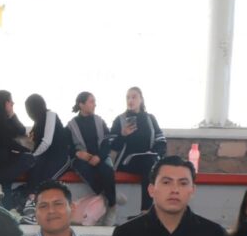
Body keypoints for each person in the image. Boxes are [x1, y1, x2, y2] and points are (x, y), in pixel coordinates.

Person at [105, 87, 166, 212]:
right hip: (126, 162)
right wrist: (123, 135)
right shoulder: (120, 120)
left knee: (151, 164)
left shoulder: (150, 119)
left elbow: (161, 141)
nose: (130, 100)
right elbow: (112, 146)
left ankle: (148, 210)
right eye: (128, 98)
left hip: (148, 159)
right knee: (150, 165)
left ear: (141, 100)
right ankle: (146, 211)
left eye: (134, 97)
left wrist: (155, 153)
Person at [21, 93, 72, 225]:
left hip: (60, 156)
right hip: (46, 157)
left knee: (45, 180)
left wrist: (33, 155)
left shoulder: (51, 115)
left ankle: (37, 209)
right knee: (33, 169)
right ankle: (31, 204)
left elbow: (46, 142)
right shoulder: (37, 122)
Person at [0, 89, 34, 212]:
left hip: (7, 159)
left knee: (31, 159)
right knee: (6, 180)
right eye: (10, 101)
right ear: (4, 103)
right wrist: (25, 149)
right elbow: (6, 142)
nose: (13, 103)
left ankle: (9, 207)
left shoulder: (5, 119)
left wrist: (13, 115)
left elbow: (21, 130)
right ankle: (9, 208)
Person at [67, 91, 118, 221]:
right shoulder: (71, 125)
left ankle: (112, 206)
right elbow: (66, 146)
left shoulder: (99, 121)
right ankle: (106, 198)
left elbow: (107, 142)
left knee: (107, 171)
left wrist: (99, 157)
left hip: (99, 158)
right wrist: (78, 153)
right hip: (82, 160)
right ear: (81, 104)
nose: (95, 105)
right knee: (85, 170)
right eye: (91, 102)